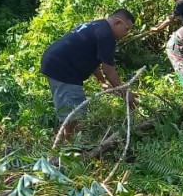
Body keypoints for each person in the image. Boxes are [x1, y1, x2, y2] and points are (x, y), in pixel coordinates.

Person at [41, 10, 138, 141]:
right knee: (75, 114)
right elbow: (109, 70)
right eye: (126, 29)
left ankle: (67, 146)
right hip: (62, 69)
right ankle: (72, 152)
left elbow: (92, 59)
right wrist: (126, 94)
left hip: (56, 63)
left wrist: (101, 81)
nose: (127, 34)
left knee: (73, 112)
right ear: (117, 22)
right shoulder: (107, 35)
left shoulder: (98, 26)